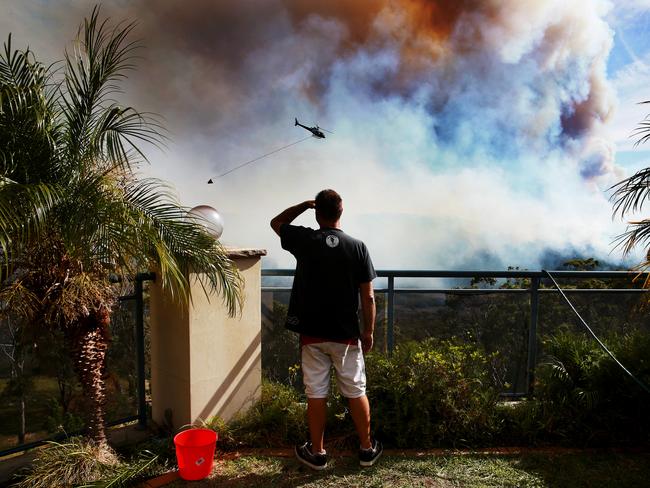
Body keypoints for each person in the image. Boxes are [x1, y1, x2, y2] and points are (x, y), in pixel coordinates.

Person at [270, 189, 382, 470]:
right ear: (341, 211)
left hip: (312, 334)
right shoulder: (358, 247)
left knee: (316, 392)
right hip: (346, 334)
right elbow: (368, 297)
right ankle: (367, 449)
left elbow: (276, 222)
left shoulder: (306, 240)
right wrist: (368, 332)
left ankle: (318, 453)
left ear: (317, 213)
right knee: (356, 390)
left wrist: (302, 205)